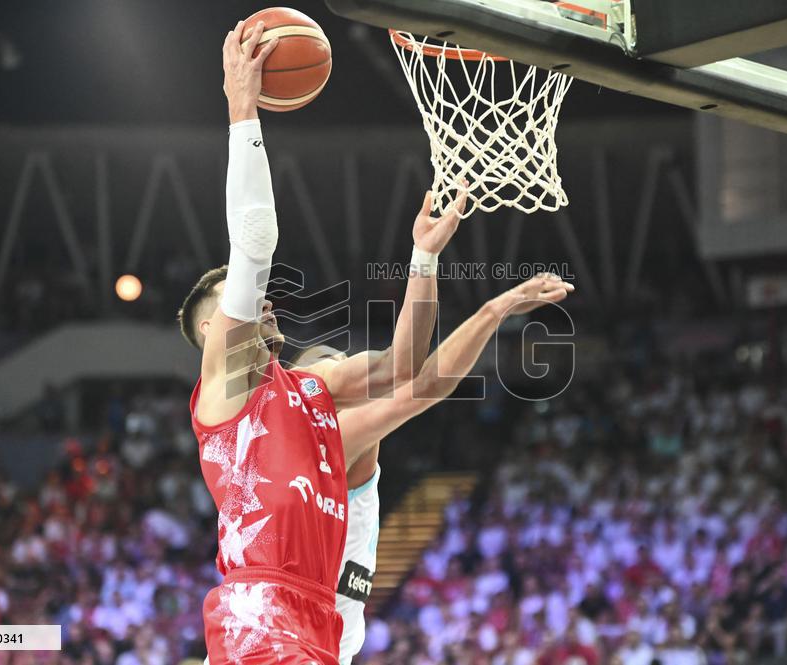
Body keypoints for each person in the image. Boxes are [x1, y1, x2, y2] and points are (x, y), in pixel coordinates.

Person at [179, 20, 464, 665]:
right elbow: (253, 249)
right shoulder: (223, 384)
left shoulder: (310, 390)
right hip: (259, 612)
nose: (260, 304)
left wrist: (422, 260)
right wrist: (241, 111)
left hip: (317, 619)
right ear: (209, 330)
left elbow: (403, 366)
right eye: (239, 302)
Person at [295, 274, 573, 664]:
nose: (352, 377)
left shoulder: (304, 449)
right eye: (336, 371)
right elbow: (427, 382)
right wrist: (494, 310)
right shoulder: (332, 438)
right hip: (287, 646)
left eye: (348, 365)